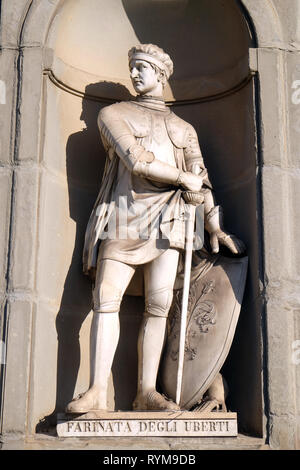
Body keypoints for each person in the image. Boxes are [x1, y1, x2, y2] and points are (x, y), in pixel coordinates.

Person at [66, 44, 244, 413]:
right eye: (132, 67)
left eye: (142, 68)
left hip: (171, 221)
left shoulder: (183, 128)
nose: (134, 74)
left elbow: (201, 175)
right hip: (124, 215)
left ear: (161, 75)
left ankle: (146, 392)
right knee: (106, 298)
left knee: (159, 305)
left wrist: (213, 222)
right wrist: (183, 178)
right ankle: (97, 389)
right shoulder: (113, 115)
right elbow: (136, 159)